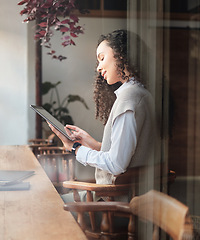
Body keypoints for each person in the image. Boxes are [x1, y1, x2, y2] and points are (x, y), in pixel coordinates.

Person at [48, 29, 155, 203]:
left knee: (50, 204)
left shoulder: (129, 99)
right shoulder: (142, 94)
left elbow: (116, 164)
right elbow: (127, 156)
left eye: (102, 58)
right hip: (128, 201)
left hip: (114, 207)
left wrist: (75, 149)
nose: (98, 67)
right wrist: (94, 144)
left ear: (120, 55)